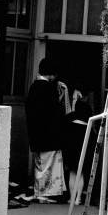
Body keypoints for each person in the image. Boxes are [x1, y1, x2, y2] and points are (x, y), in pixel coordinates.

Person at [25, 58, 68, 203]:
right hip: (49, 135)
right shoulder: (48, 88)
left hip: (36, 134)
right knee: (48, 165)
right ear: (52, 74)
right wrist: (61, 95)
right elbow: (55, 110)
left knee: (40, 164)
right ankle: (45, 193)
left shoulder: (34, 86)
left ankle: (40, 192)